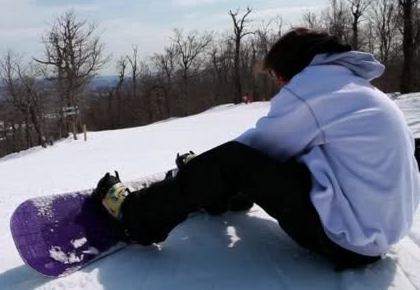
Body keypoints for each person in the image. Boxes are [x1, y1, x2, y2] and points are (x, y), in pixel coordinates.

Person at [92, 28, 420, 270]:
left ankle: (134, 216)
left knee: (233, 164)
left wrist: (200, 172)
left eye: (278, 76)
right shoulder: (351, 87)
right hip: (375, 229)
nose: (279, 84)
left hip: (349, 239)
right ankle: (223, 196)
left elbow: (255, 149)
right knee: (246, 165)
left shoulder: (314, 91)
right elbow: (280, 151)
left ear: (293, 68)